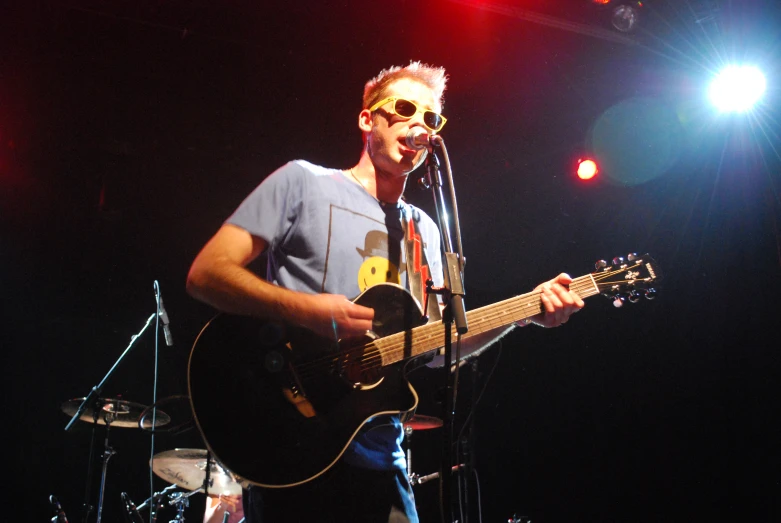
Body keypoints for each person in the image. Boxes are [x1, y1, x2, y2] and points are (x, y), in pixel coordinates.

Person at [186, 61, 584, 523]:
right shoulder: (302, 183)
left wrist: (523, 314)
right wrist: (310, 311)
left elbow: (439, 345)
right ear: (366, 119)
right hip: (293, 441)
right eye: (404, 109)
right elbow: (207, 273)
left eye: (431, 118)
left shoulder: (426, 230)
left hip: (382, 457)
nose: (419, 124)